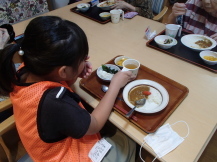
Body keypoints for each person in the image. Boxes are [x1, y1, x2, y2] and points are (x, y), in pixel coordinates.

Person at [0, 16, 136, 161]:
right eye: (82, 60)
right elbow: (94, 125)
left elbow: (53, 84)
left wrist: (74, 74)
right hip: (68, 156)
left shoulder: (25, 71)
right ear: (63, 71)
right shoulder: (55, 102)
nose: (85, 62)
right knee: (129, 141)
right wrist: (115, 84)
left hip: (44, 148)